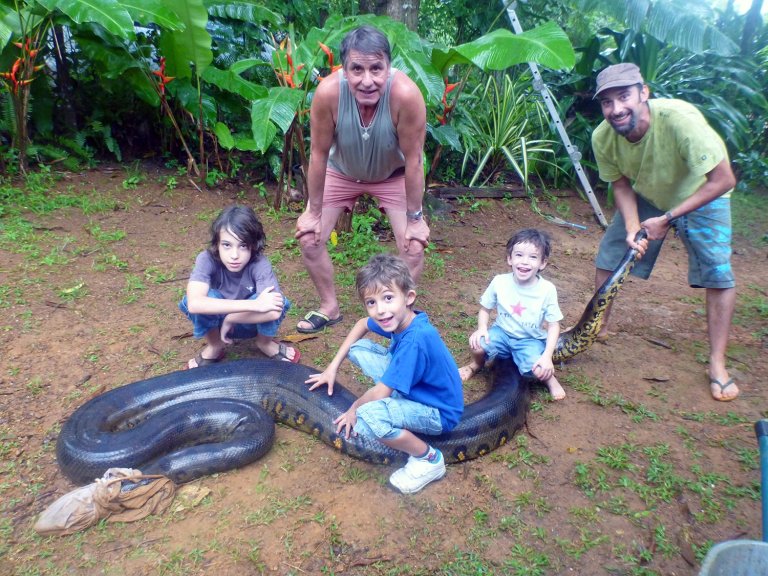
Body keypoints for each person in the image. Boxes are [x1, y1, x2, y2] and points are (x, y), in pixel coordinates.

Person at [591, 62, 738, 401]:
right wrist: (632, 226)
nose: (616, 109)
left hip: (702, 192)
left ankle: (717, 363)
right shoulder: (603, 137)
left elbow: (724, 179)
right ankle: (597, 326)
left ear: (644, 93)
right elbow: (621, 184)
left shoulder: (679, 119)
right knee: (610, 255)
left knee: (717, 271)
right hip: (649, 193)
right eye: (607, 102)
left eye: (624, 96)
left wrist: (668, 218)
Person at [294, 25, 430, 334]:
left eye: (376, 69)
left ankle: (398, 314)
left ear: (388, 67)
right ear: (344, 70)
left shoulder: (406, 96)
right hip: (340, 172)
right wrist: (313, 212)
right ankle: (329, 307)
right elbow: (318, 153)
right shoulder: (328, 93)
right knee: (308, 237)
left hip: (391, 175)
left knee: (414, 246)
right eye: (357, 69)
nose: (367, 80)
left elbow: (414, 160)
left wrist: (416, 218)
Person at [305, 254, 464, 494]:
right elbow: (361, 324)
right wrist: (331, 368)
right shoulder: (401, 318)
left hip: (439, 412)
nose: (380, 310)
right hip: (421, 388)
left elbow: (380, 393)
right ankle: (400, 397)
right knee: (357, 348)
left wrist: (352, 410)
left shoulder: (415, 340)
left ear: (409, 297)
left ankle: (428, 459)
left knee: (369, 418)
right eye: (371, 302)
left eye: (388, 298)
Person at [179, 205, 300, 369]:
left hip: (250, 322)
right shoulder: (206, 259)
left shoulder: (259, 263)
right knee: (200, 298)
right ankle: (215, 345)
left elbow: (274, 310)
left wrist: (232, 317)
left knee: (274, 300)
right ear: (217, 244)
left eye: (243, 246)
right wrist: (255, 305)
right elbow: (194, 304)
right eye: (227, 245)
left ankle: (264, 343)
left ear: (253, 245)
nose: (234, 255)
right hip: (217, 322)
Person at [458, 229, 565, 401]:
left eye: (533, 257)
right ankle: (476, 365)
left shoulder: (547, 290)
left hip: (529, 340)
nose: (524, 262)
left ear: (543, 263)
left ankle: (550, 380)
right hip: (502, 333)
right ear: (510, 258)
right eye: (519, 255)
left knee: (538, 370)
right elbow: (485, 308)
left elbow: (553, 325)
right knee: (477, 344)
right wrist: (482, 329)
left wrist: (546, 357)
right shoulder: (500, 282)